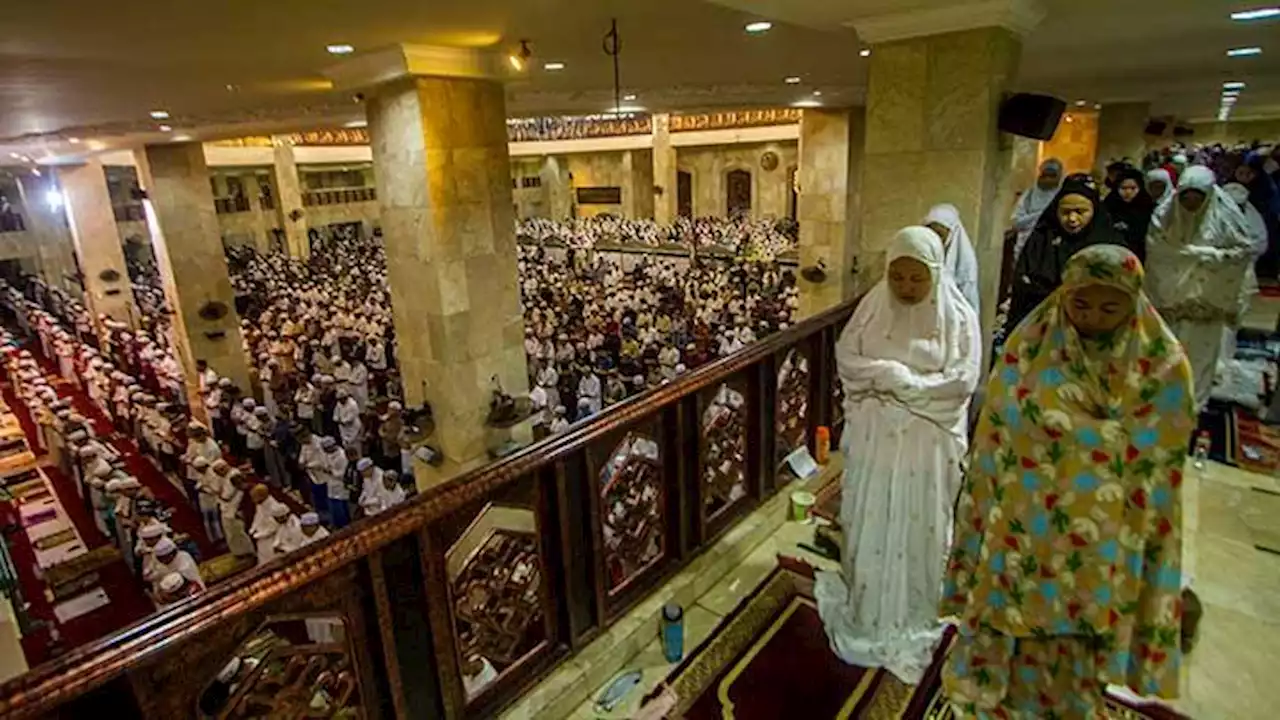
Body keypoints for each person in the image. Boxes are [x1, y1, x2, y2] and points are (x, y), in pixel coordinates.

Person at [941, 245, 1192, 719]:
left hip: (1100, 537)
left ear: (1132, 302)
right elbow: (999, 430)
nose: (1093, 317)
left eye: (1109, 306)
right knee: (1011, 622)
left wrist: (1088, 446)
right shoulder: (1031, 348)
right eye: (1081, 304)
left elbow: (1159, 457)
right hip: (1023, 520)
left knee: (1074, 634)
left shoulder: (1160, 365)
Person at [814, 226, 982, 683]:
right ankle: (867, 605)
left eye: (917, 279)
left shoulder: (959, 318)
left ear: (935, 273)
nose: (906, 289)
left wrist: (906, 388)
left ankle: (913, 607)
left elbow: (961, 383)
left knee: (916, 523)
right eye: (899, 277)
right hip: (875, 437)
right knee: (871, 519)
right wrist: (886, 375)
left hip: (926, 447)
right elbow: (849, 359)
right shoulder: (873, 306)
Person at [1145, 165, 1254, 412]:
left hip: (1208, 301)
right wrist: (1185, 257)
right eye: (1186, 197)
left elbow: (1242, 252)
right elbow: (1157, 251)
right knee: (1166, 352)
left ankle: (1194, 406)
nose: (1191, 203)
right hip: (1171, 299)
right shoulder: (1165, 214)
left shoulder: (1225, 215)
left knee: (1201, 357)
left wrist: (1208, 256)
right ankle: (1162, 405)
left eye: (1197, 197)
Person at [1006, 176, 1120, 335]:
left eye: (1080, 212)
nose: (1072, 219)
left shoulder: (1110, 246)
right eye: (1065, 212)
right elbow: (1022, 291)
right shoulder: (1042, 240)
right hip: (1043, 332)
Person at [922, 204, 981, 313]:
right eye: (931, 232)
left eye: (940, 234)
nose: (935, 239)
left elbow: (968, 303)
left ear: (951, 234)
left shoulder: (965, 263)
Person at [1011, 158, 1064, 260]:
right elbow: (1016, 222)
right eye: (1045, 175)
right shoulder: (1029, 195)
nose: (1048, 179)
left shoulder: (1062, 197)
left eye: (1052, 175)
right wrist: (1042, 214)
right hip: (1025, 250)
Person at [1103, 166, 1156, 263]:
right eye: (1123, 188)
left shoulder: (1146, 206)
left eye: (1133, 188)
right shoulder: (1109, 204)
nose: (1128, 192)